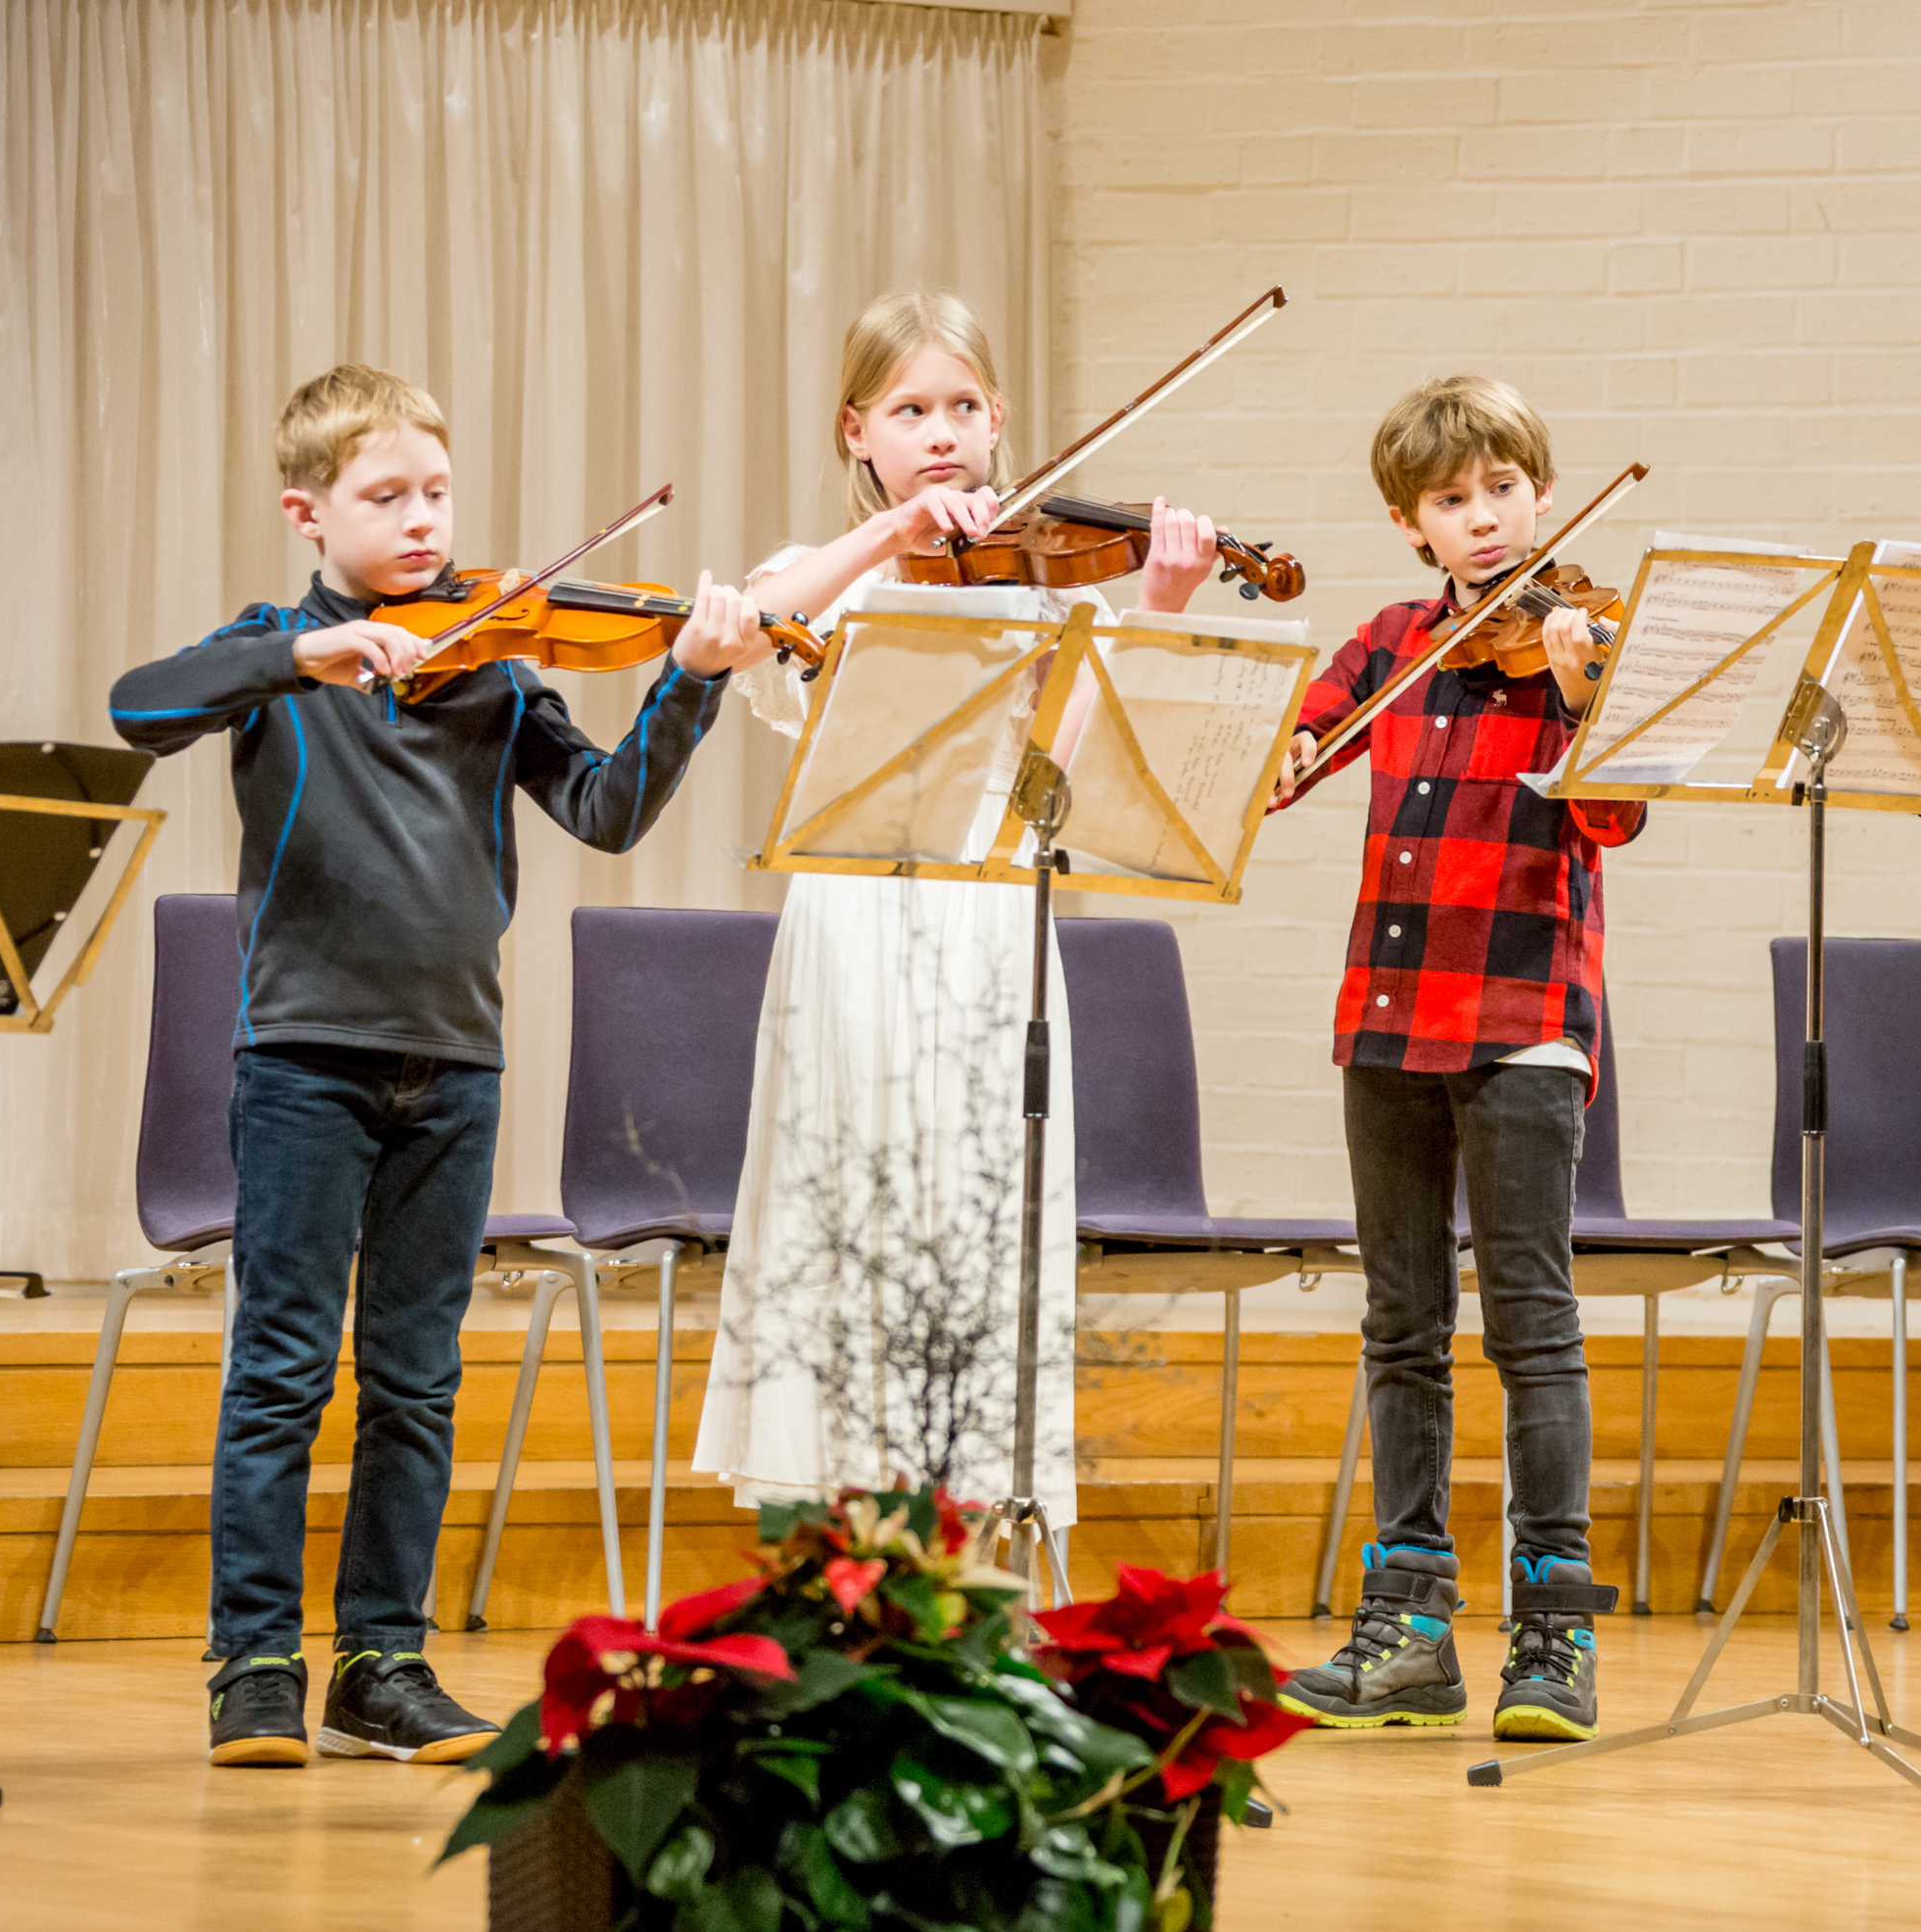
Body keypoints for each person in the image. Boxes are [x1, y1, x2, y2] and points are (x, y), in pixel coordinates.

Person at [109, 363, 772, 1767]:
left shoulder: (498, 662)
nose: (422, 523)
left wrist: (691, 685)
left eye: (437, 494)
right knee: (282, 1366)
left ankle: (383, 1664)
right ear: (310, 512)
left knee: (415, 1377)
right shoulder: (274, 648)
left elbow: (604, 811)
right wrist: (300, 659)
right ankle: (252, 1666)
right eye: (384, 498)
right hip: (300, 1059)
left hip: (456, 1062)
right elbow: (138, 706)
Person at [690, 292, 1221, 1531]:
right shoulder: (817, 575)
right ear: (855, 433)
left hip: (993, 928)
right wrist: (891, 543)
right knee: (853, 1208)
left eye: (964, 408)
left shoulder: (1043, 586)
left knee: (985, 1214)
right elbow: (754, 636)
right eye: (910, 410)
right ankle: (842, 1538)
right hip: (856, 930)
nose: (941, 433)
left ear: (1001, 423)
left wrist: (1161, 607)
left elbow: (1065, 773)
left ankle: (973, 1541)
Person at [1266, 375, 1640, 1743]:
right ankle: (1410, 1628)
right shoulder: (1388, 642)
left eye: (1501, 489)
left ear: (1539, 489)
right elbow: (1299, 740)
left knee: (1531, 1325)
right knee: (1400, 1327)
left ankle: (1555, 1638)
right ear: (1411, 523)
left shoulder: (1583, 640)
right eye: (1451, 501)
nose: (1482, 519)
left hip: (1526, 1020)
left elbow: (1615, 811)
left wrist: (1588, 677)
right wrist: (1294, 739)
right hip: (1388, 1015)